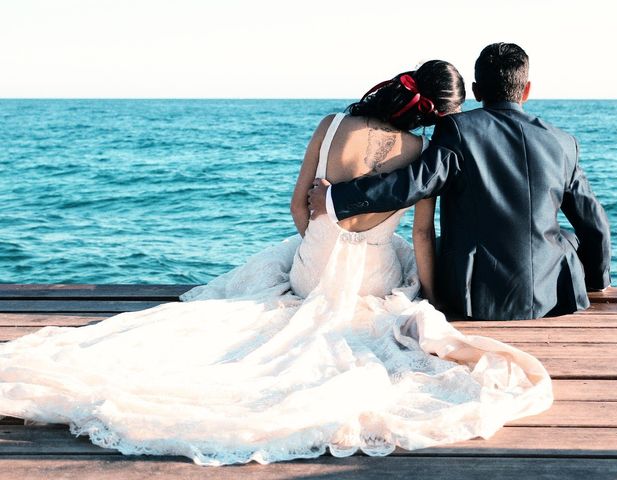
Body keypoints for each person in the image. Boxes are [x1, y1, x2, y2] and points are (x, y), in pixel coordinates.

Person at [0, 60, 553, 467]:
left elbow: (298, 209)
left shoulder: (332, 125)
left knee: (281, 277)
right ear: (435, 113)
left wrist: (323, 244)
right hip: (375, 274)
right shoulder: (421, 154)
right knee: (399, 272)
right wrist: (428, 294)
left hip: (313, 261)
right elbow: (422, 236)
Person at [310, 42, 612, 320]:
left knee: (439, 246)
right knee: (567, 237)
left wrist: (336, 198)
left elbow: (411, 184)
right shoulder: (563, 143)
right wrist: (597, 283)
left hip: (477, 298)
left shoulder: (458, 130)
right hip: (553, 296)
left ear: (477, 91)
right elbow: (594, 224)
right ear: (527, 90)